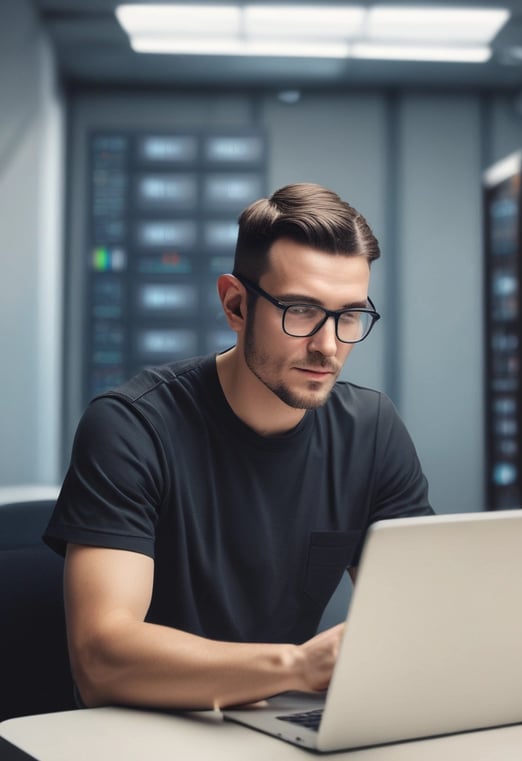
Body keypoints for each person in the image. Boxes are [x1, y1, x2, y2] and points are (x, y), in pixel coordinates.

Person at [44, 182, 432, 711]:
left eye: (349, 315)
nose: (327, 345)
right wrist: (297, 667)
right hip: (145, 733)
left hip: (274, 725)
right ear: (235, 304)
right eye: (300, 310)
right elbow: (100, 659)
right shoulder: (131, 427)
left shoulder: (372, 429)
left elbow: (416, 621)